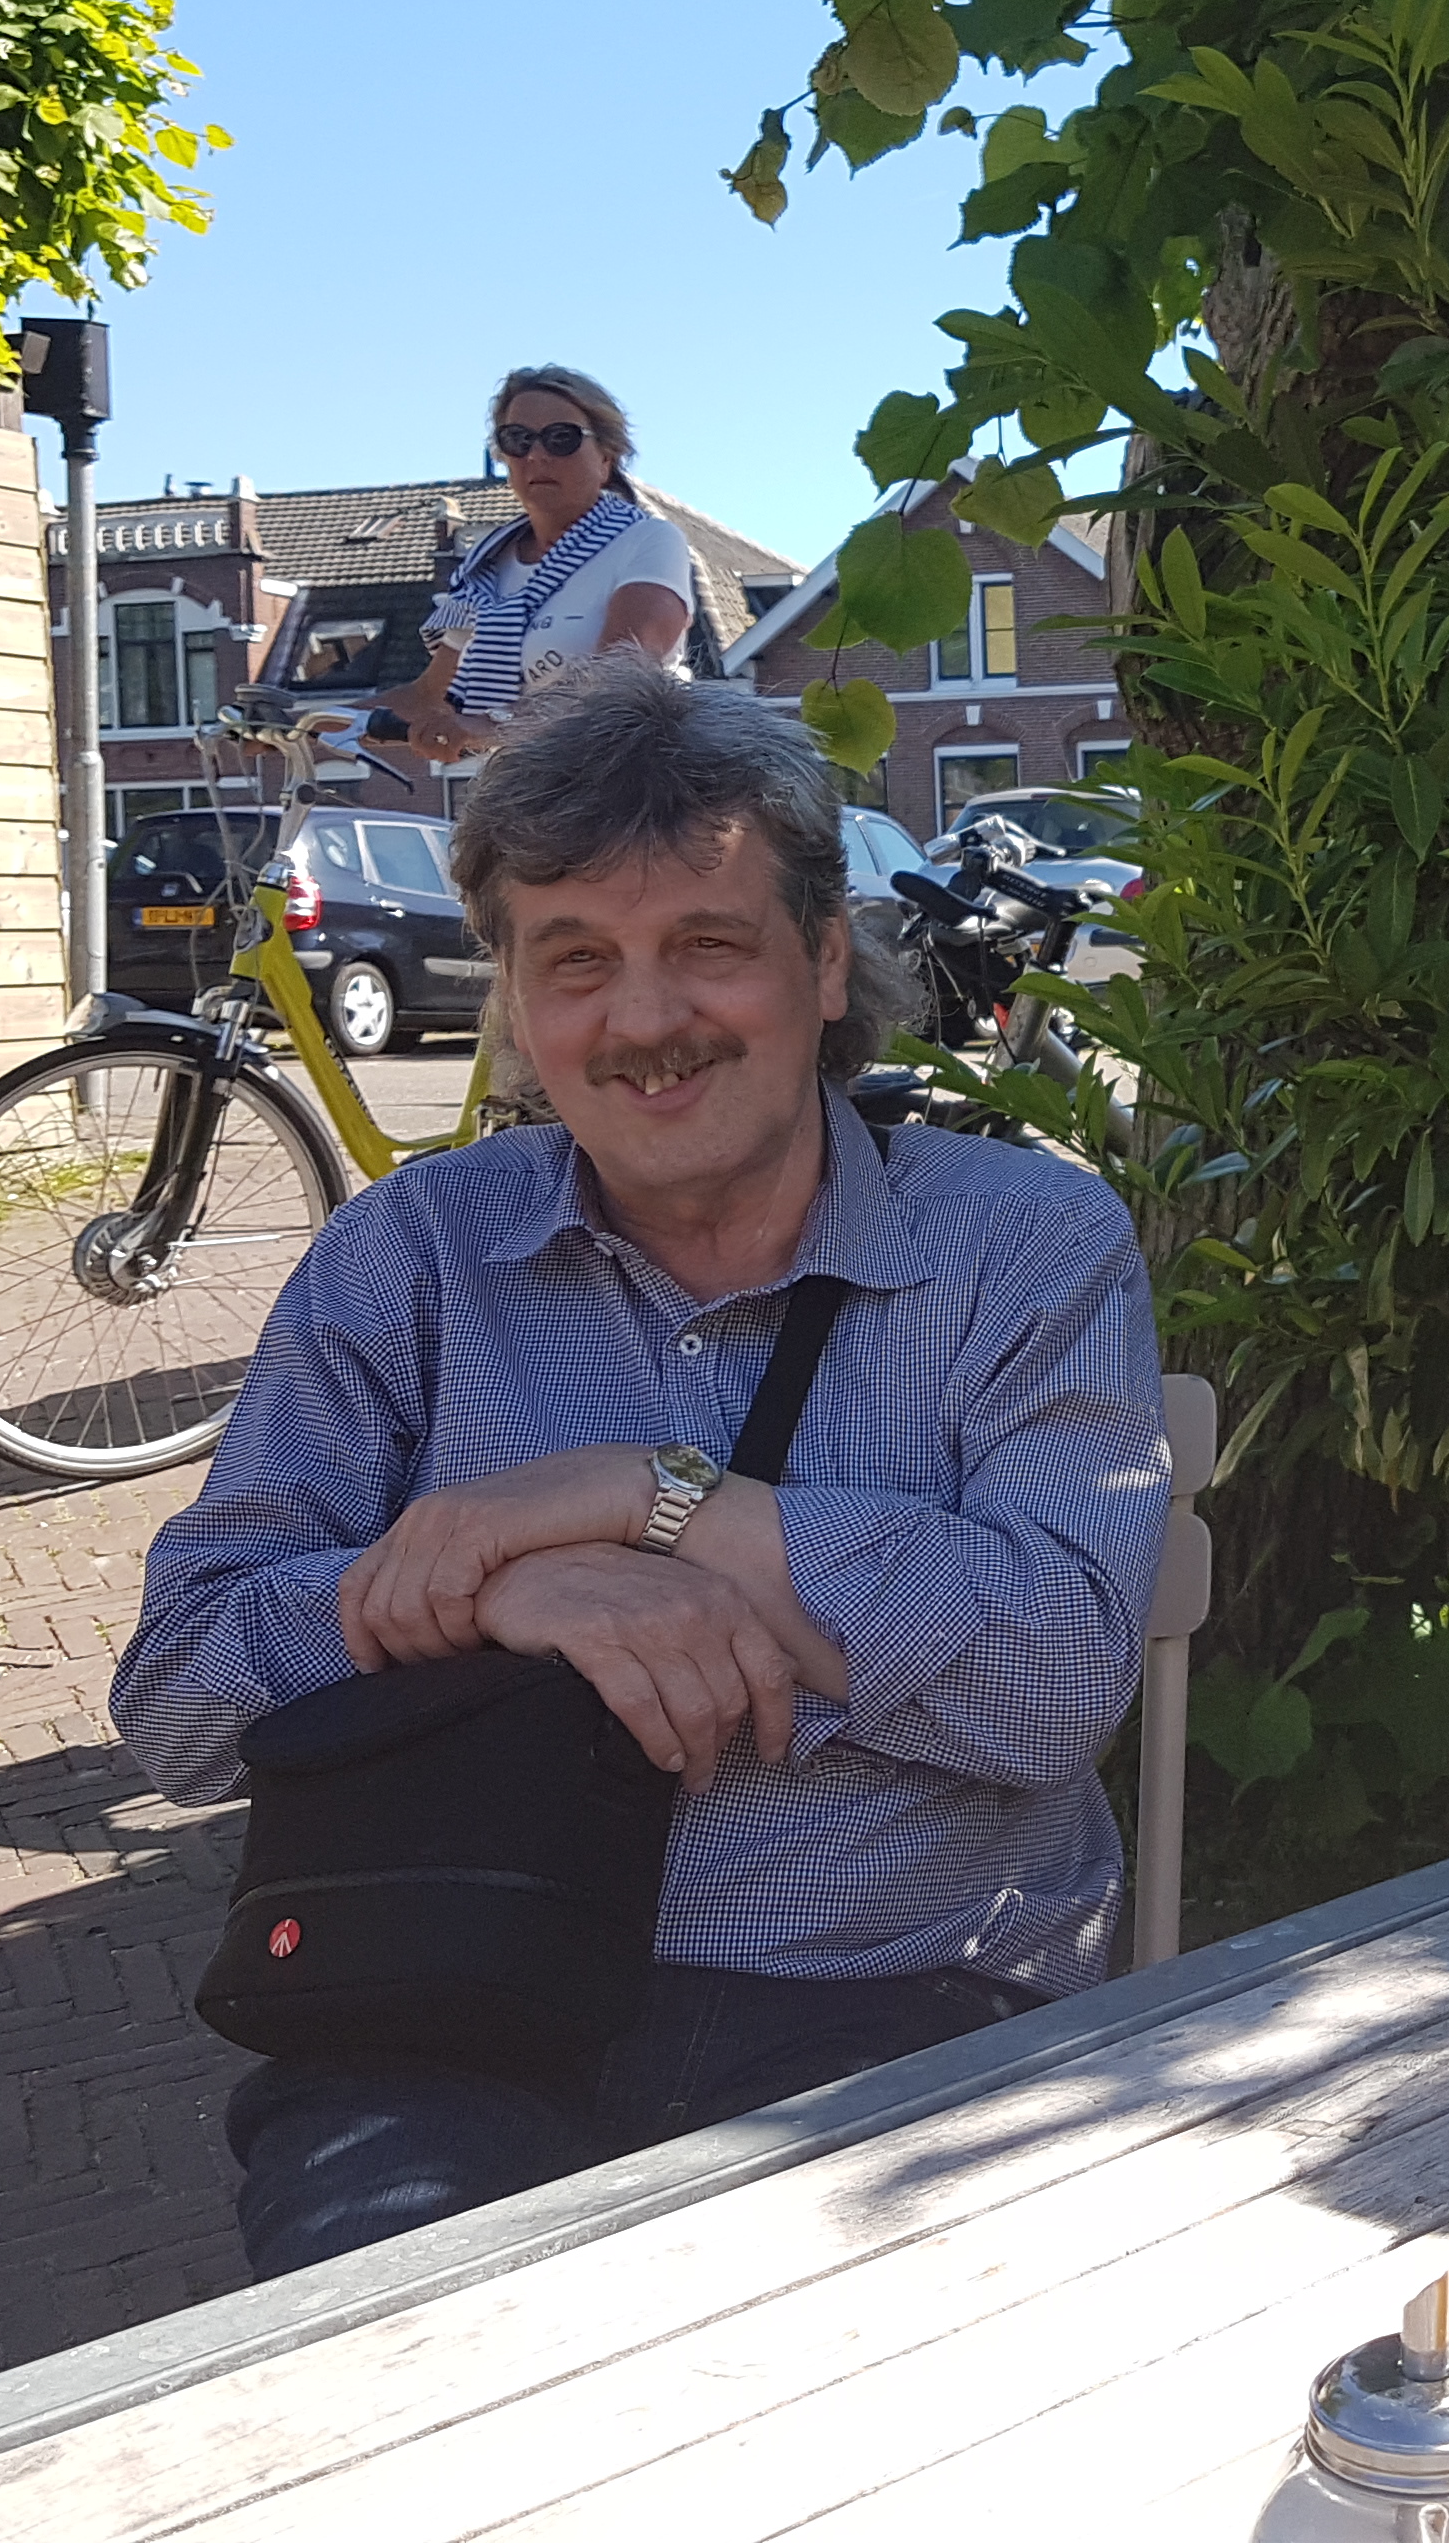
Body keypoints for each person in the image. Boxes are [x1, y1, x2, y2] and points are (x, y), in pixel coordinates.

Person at [111, 659, 1168, 2278]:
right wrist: (497, 1593)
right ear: (517, 997)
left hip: (901, 1999)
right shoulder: (413, 1256)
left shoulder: (1020, 1246)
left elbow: (1052, 1685)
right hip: (446, 1999)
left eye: (709, 946)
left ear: (825, 958)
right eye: (578, 959)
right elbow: (180, 1692)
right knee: (403, 2373)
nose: (646, 1019)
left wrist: (640, 1495)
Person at [380, 363, 701, 762]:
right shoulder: (484, 571)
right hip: (525, 784)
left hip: (629, 780)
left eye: (561, 439)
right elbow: (429, 696)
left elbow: (620, 678)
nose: (536, 455)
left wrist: (491, 724)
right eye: (518, 439)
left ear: (606, 457)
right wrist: (313, 723)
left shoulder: (648, 542)